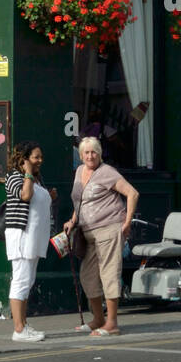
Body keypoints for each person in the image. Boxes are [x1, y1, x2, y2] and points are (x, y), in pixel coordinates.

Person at [64, 135, 138, 337]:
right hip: (87, 232)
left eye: (94, 151)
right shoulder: (80, 171)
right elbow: (79, 202)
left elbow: (132, 193)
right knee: (87, 276)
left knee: (109, 275)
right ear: (80, 155)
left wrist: (127, 222)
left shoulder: (107, 172)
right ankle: (98, 318)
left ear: (100, 153)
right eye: (86, 152)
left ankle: (112, 323)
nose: (90, 156)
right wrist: (72, 221)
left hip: (108, 228)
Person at [3, 140, 55, 342]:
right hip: (22, 236)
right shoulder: (14, 176)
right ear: (24, 159)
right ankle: (18, 329)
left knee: (28, 281)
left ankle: (23, 324)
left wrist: (49, 196)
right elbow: (24, 196)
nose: (40, 160)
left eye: (41, 157)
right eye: (36, 157)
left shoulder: (35, 178)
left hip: (35, 237)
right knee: (21, 280)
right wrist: (27, 172)